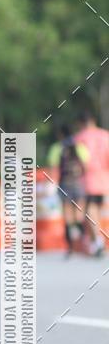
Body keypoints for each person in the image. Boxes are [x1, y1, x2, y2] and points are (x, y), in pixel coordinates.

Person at [47, 124, 89, 255]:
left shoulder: (57, 148)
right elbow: (86, 165)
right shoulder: (80, 147)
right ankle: (83, 243)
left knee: (67, 217)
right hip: (78, 184)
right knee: (79, 215)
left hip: (65, 185)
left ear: (61, 134)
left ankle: (70, 247)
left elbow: (53, 169)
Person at [75, 110, 109, 256]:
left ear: (81, 124)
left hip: (87, 180)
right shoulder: (105, 135)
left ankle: (97, 240)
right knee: (95, 208)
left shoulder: (79, 138)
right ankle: (94, 240)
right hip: (103, 178)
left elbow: (79, 161)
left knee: (89, 209)